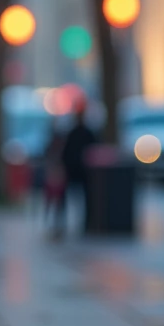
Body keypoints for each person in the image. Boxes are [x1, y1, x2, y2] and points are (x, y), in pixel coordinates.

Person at [59, 99, 96, 232]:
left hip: (83, 171)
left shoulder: (85, 133)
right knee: (67, 197)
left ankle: (86, 224)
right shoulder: (74, 133)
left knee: (86, 198)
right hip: (75, 171)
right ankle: (64, 224)